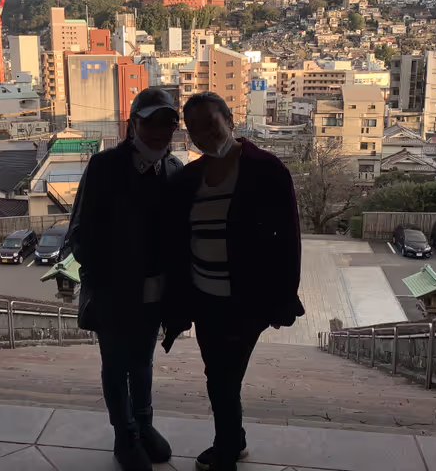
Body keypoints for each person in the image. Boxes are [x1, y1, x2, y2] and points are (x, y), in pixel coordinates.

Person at [165, 91, 304, 471]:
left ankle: (227, 447)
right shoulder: (190, 177)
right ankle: (235, 440)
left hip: (247, 299)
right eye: (194, 129)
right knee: (218, 373)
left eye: (211, 122)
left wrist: (282, 298)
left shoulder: (266, 169)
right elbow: (179, 240)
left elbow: (288, 239)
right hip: (204, 297)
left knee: (224, 375)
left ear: (230, 119)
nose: (204, 134)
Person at [68, 88, 183, 471]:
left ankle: (145, 424)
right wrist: (104, 279)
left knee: (144, 361)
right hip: (114, 291)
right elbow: (79, 232)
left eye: (167, 122)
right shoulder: (104, 166)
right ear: (132, 124)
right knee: (116, 363)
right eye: (149, 121)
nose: (159, 131)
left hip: (155, 291)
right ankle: (125, 434)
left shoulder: (174, 170)